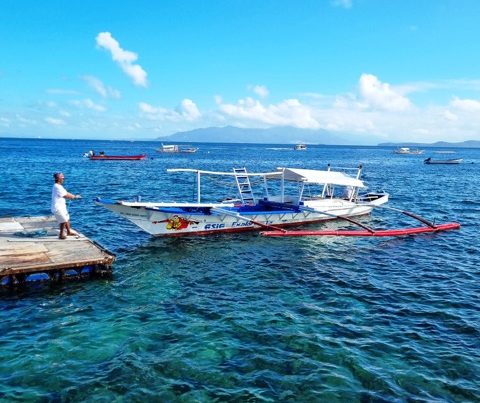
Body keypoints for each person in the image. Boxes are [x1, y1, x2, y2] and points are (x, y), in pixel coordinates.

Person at [51, 172, 81, 239]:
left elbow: (66, 193)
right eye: (62, 178)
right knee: (63, 220)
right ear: (58, 179)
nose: (63, 179)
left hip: (62, 207)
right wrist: (74, 197)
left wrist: (74, 196)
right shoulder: (57, 187)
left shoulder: (59, 186)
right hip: (57, 208)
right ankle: (61, 235)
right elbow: (65, 195)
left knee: (67, 218)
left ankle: (68, 232)